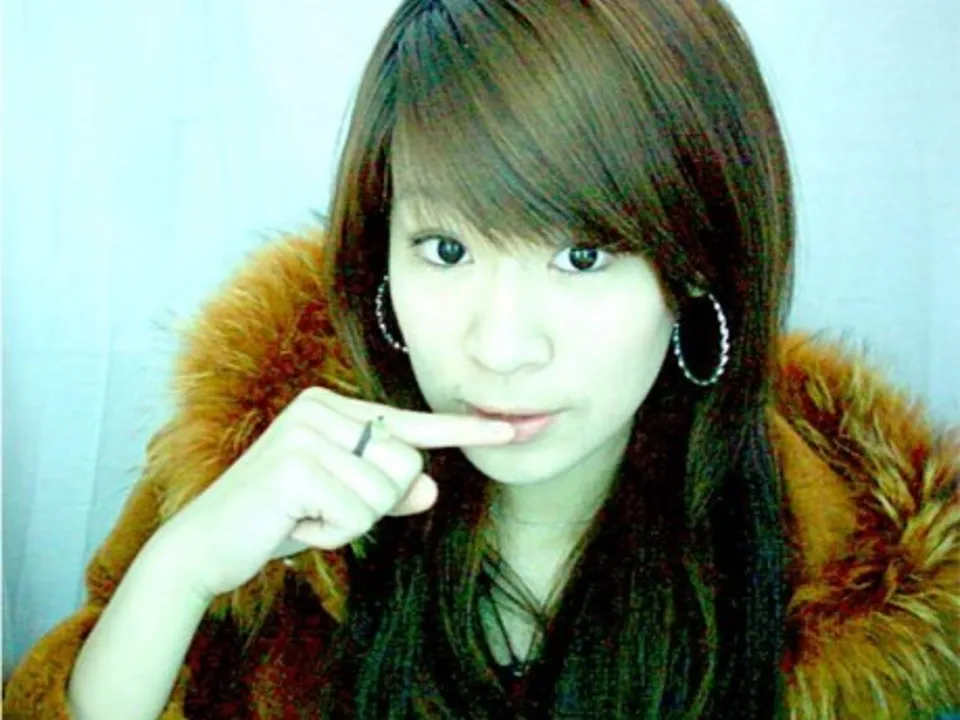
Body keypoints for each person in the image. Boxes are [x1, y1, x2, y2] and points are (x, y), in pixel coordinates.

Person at [4, 0, 957, 718]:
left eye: (583, 257)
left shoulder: (853, 581)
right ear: (378, 253)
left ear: (695, 265)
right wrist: (179, 569)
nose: (500, 347)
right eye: (447, 249)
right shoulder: (257, 476)